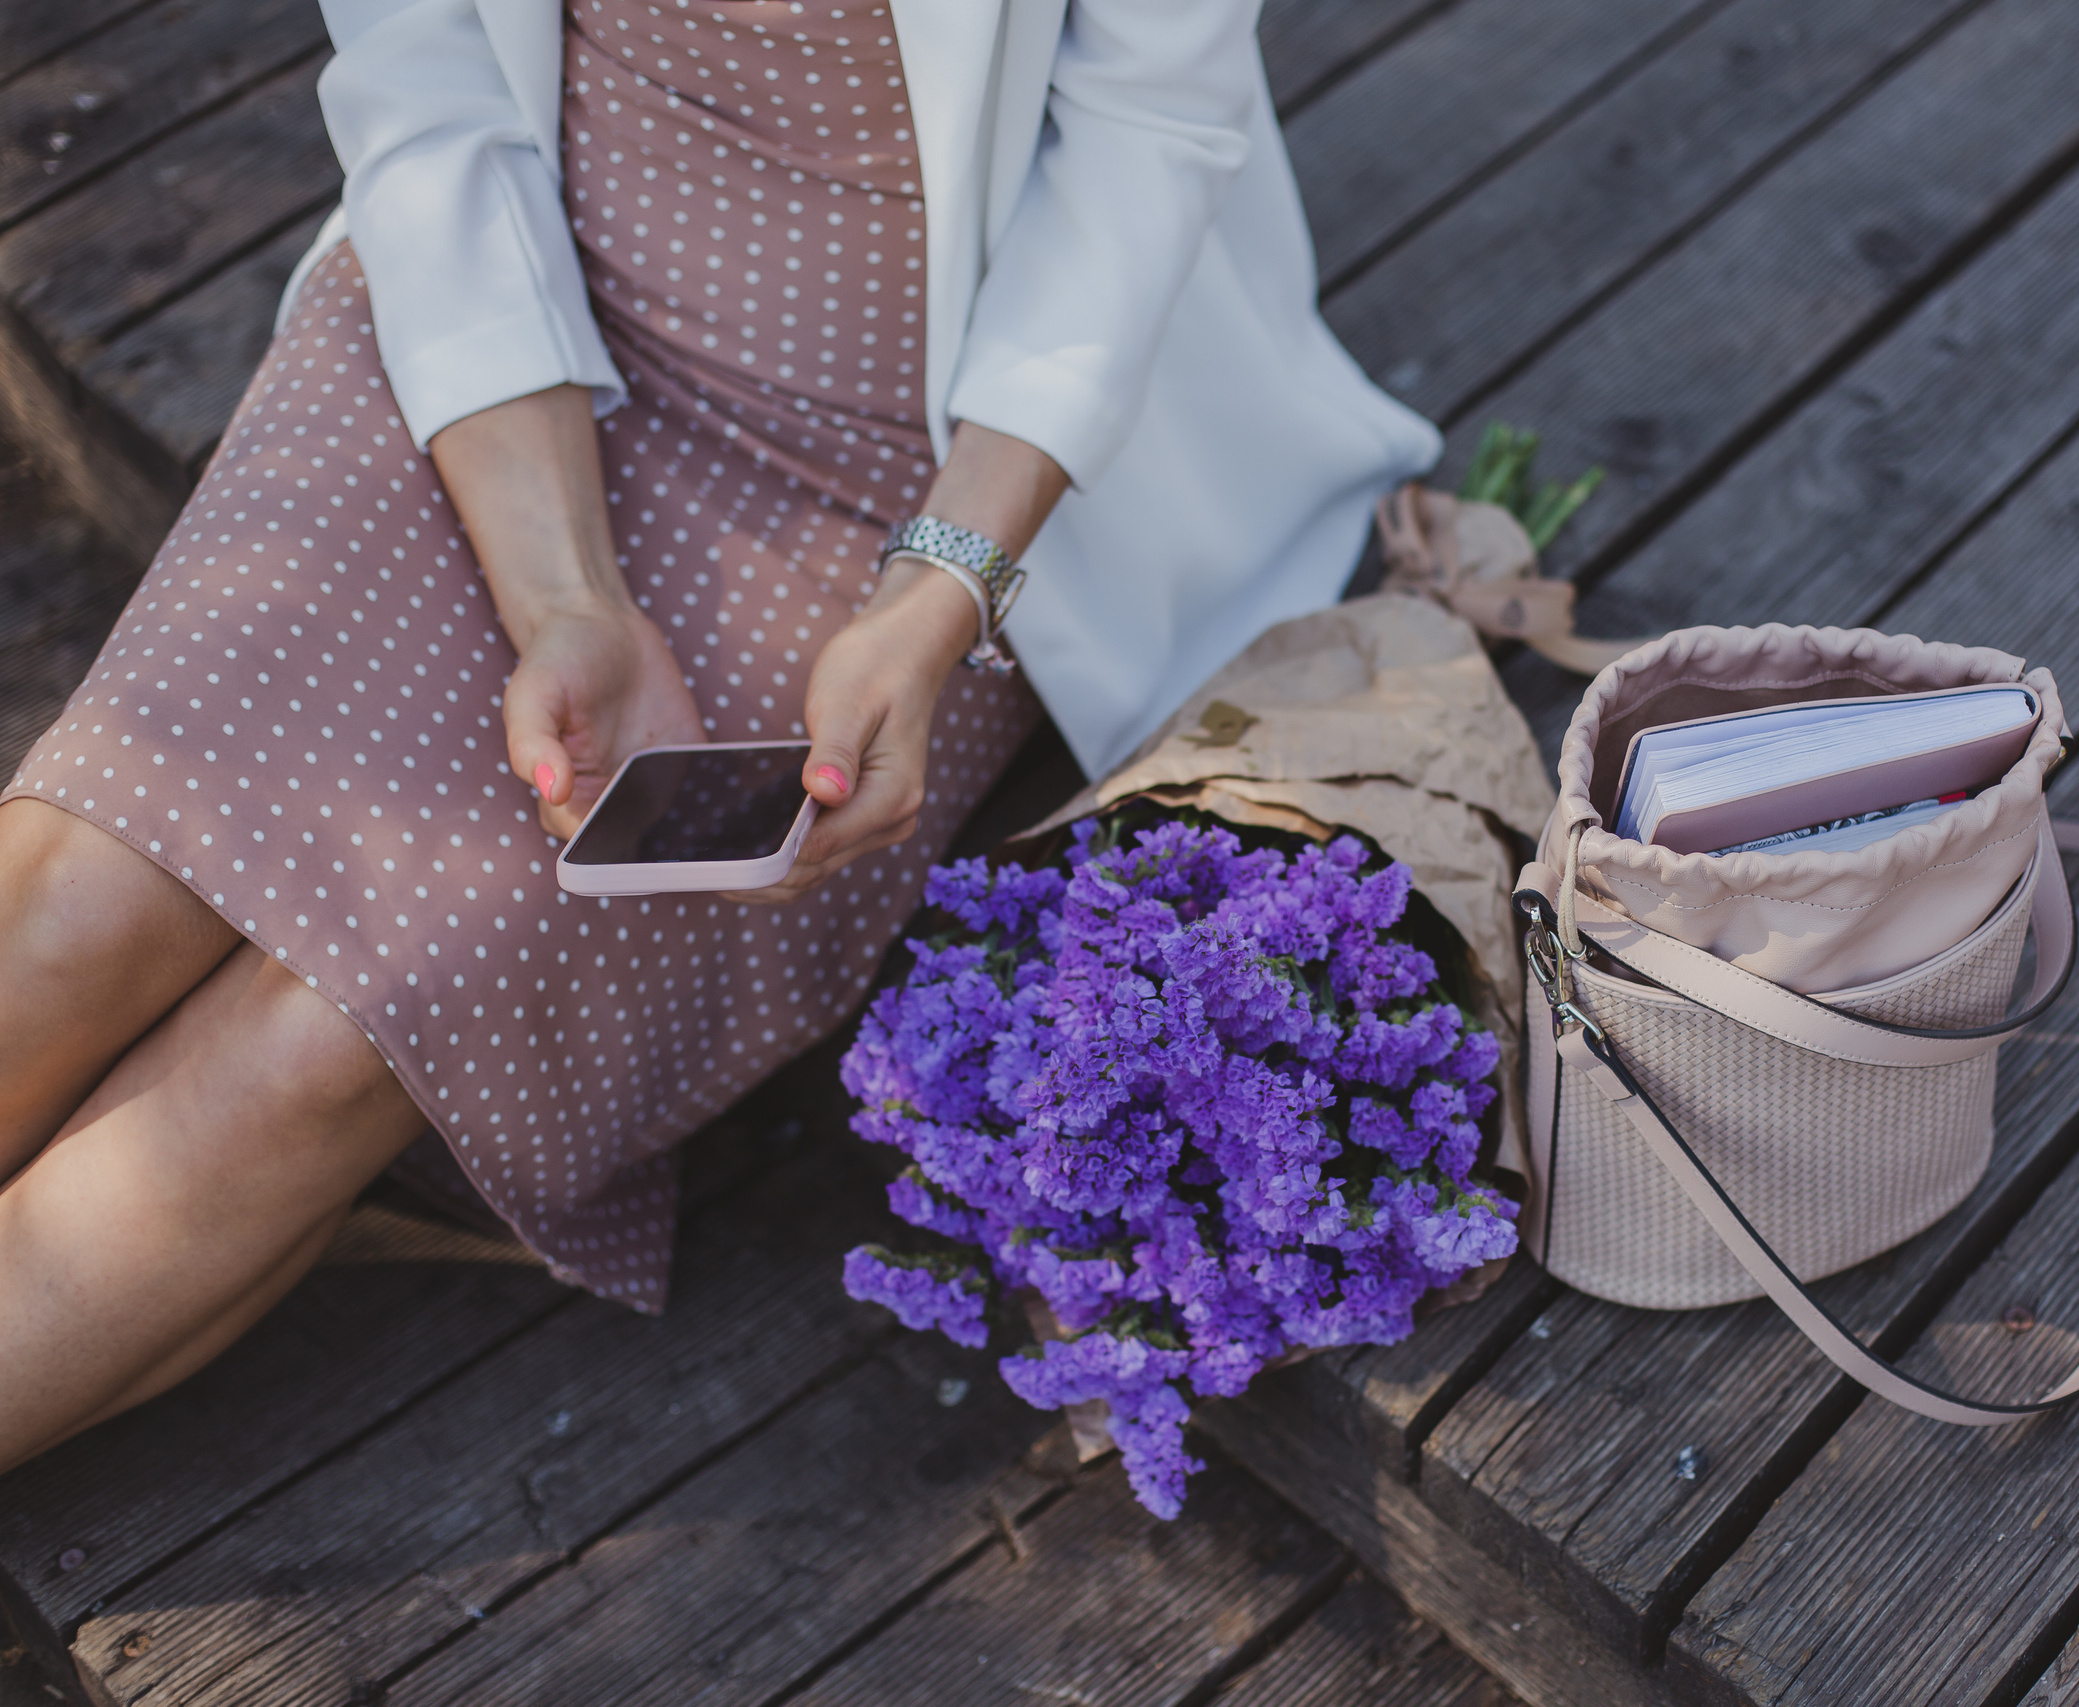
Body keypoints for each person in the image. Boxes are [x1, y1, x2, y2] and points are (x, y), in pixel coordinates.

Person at [0, 0, 1437, 1474]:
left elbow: (1149, 136)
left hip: (923, 446)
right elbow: (424, 72)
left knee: (323, 1048)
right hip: (497, 300)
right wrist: (564, 593)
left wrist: (935, 593)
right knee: (71, 894)